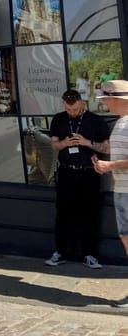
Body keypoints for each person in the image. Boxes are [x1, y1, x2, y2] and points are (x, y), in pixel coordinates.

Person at [45, 89, 110, 268]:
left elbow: (107, 148)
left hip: (89, 172)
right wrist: (65, 143)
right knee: (63, 213)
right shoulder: (59, 119)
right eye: (68, 109)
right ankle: (60, 252)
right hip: (66, 172)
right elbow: (54, 145)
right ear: (63, 105)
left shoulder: (95, 121)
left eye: (74, 109)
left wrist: (87, 143)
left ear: (81, 102)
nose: (71, 112)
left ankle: (90, 254)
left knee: (90, 213)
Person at [91, 80, 128, 309]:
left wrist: (110, 165)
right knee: (126, 239)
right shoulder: (121, 122)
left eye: (106, 99)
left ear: (117, 99)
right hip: (122, 189)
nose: (105, 103)